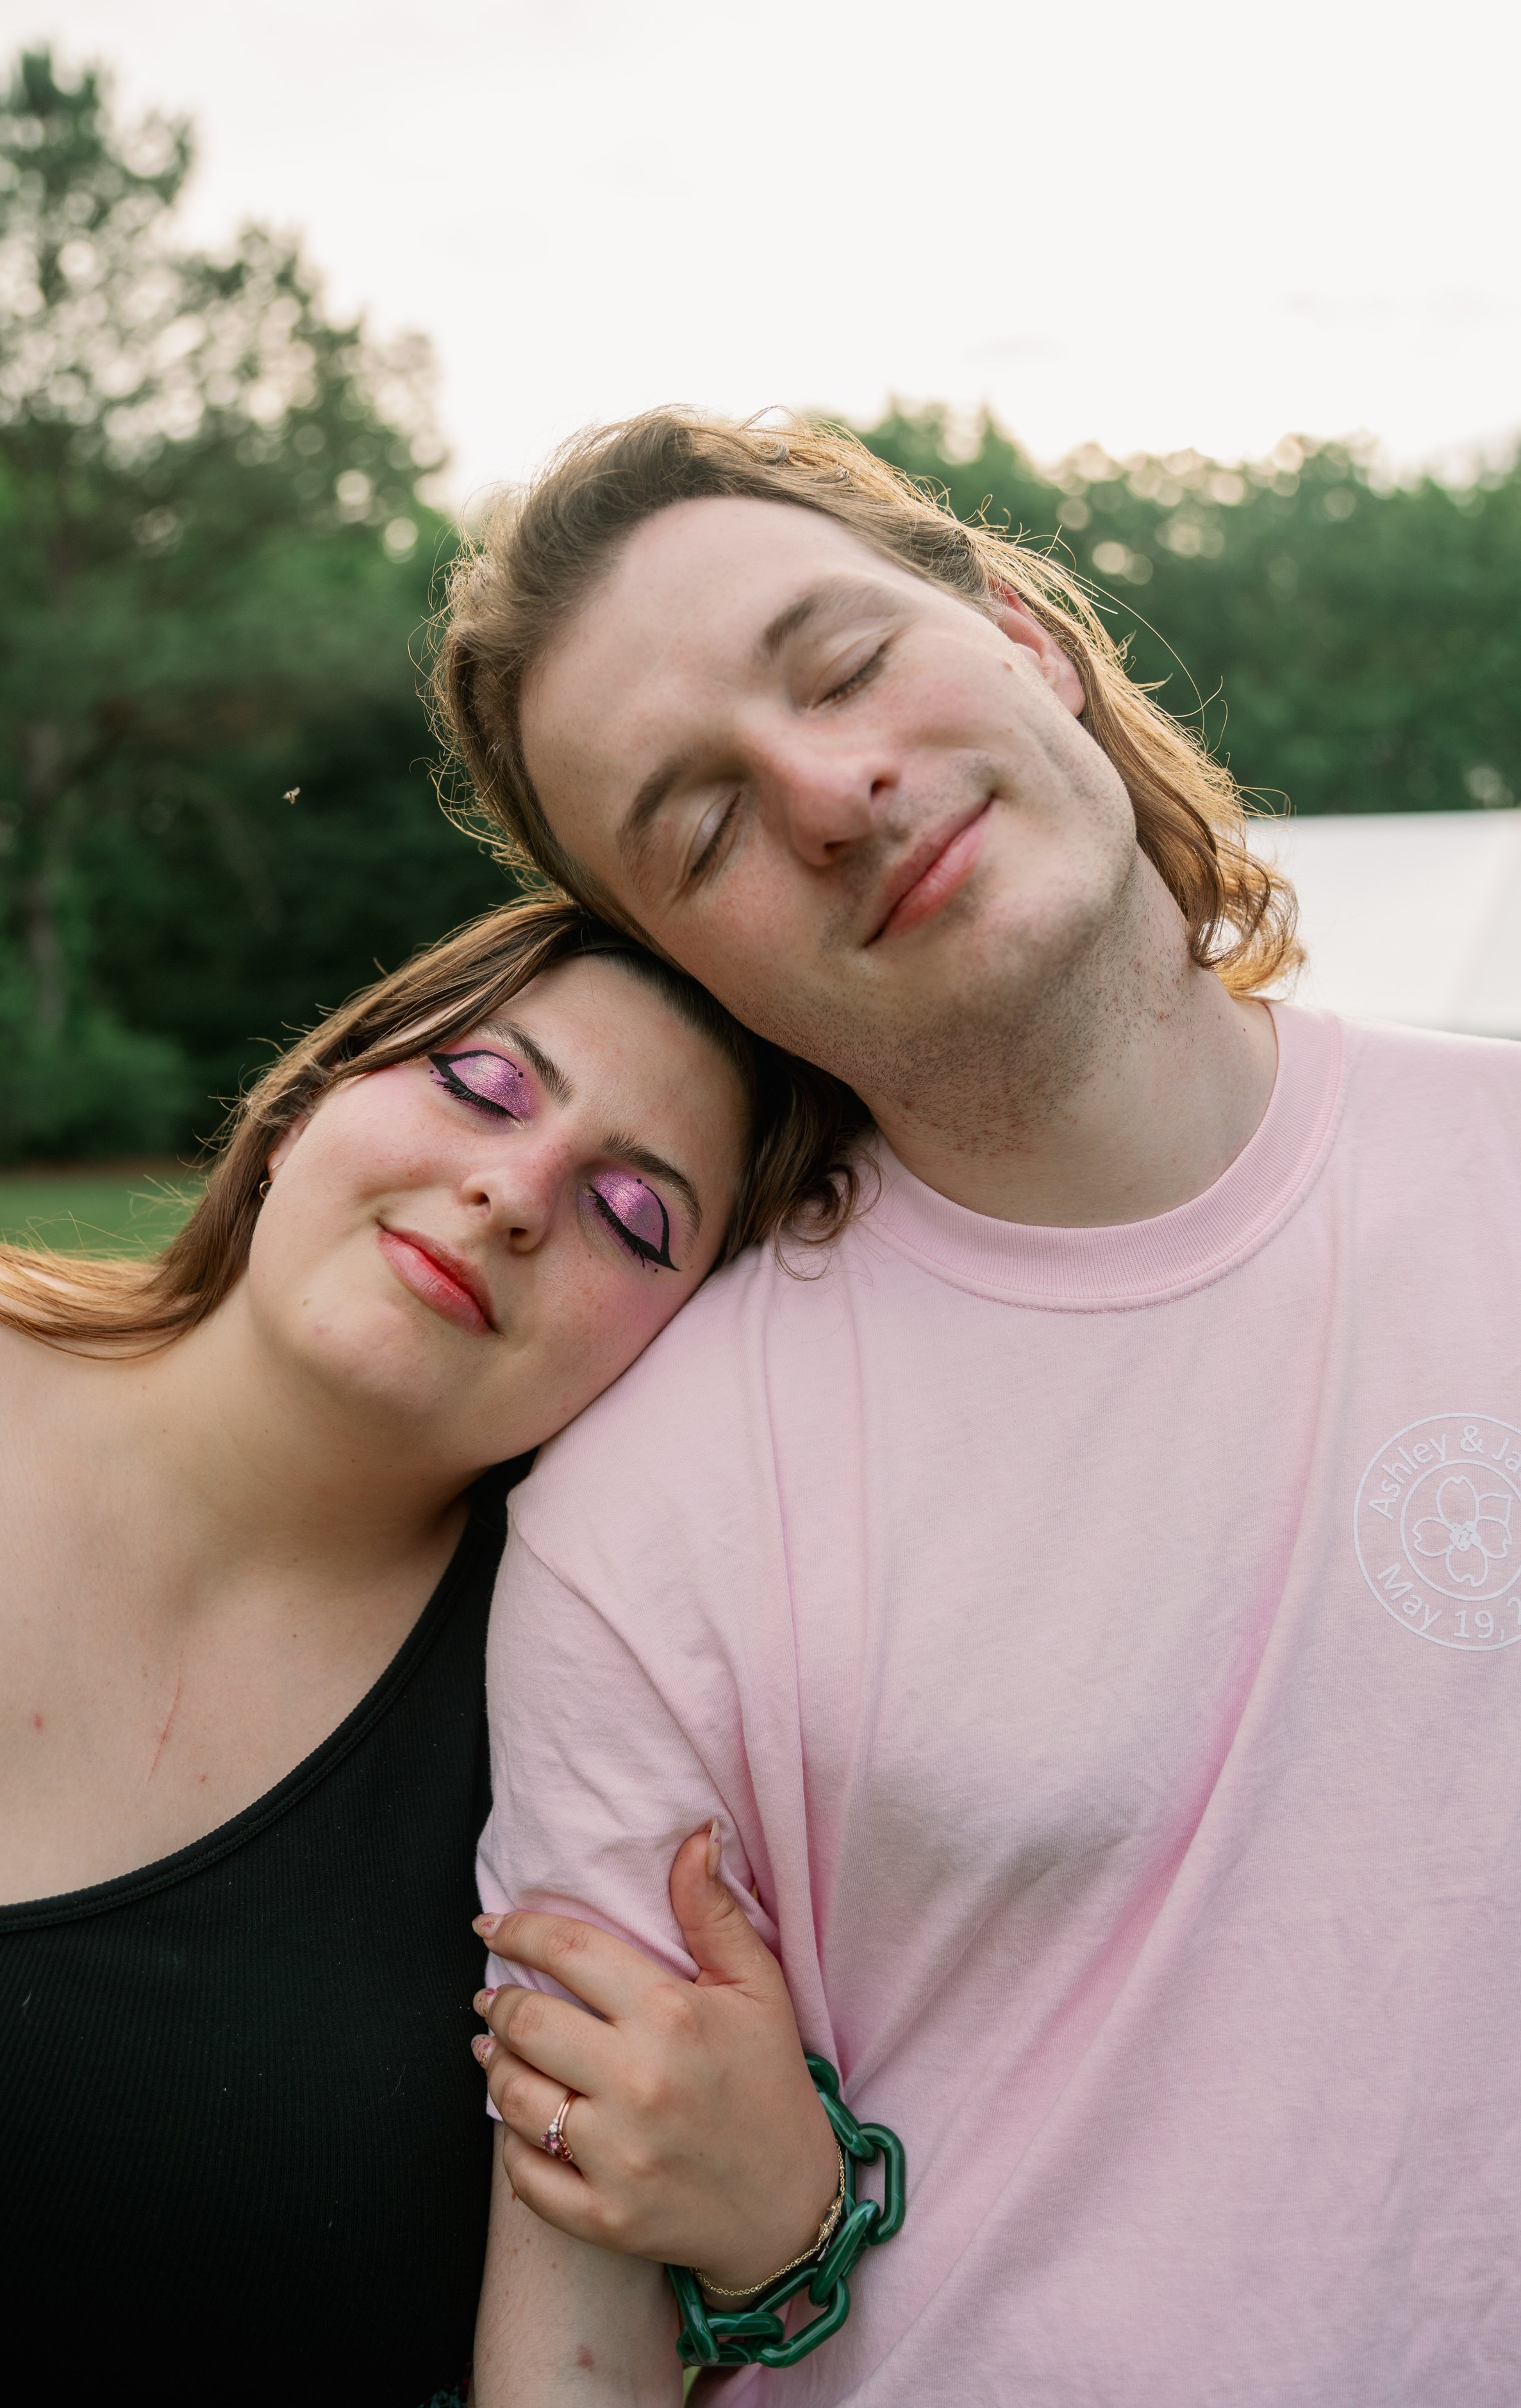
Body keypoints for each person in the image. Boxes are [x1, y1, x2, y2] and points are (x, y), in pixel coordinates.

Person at [441, 412, 1521, 2405]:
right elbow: (575, 2335)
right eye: (697, 826)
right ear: (689, 965)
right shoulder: (648, 1512)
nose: (832, 791)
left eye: (840, 664)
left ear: (1024, 634)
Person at [0, 896, 860, 2407]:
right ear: (303, 1106)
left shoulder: (594, 1734)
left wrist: (778, 2239)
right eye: (482, 1085)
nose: (512, 1191)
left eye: (636, 1215)